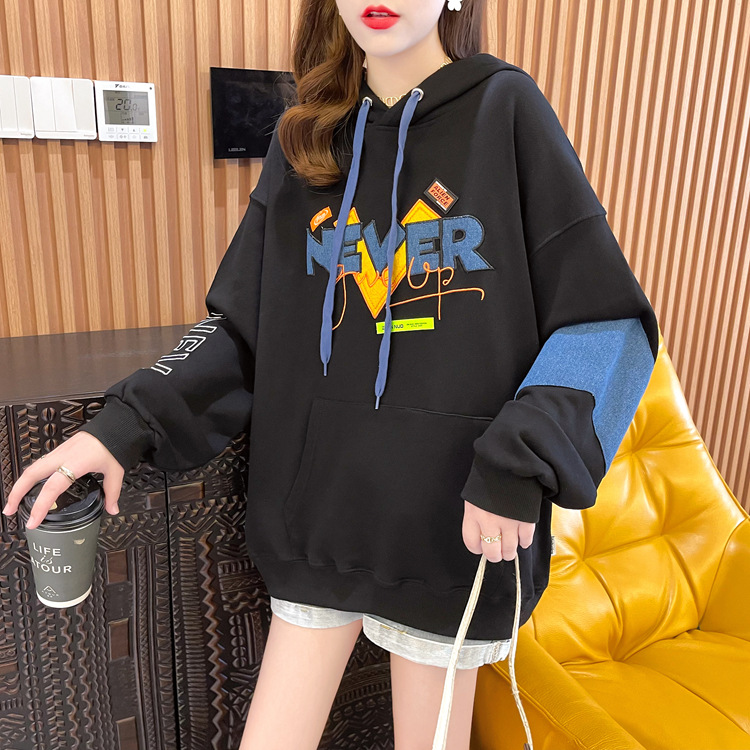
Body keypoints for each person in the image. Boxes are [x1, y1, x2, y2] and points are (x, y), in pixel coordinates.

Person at [3, 1, 660, 748]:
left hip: (456, 529)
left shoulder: (505, 111)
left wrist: (526, 461)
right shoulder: (306, 138)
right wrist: (122, 427)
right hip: (316, 519)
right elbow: (241, 327)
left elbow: (605, 323)